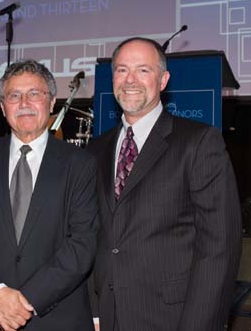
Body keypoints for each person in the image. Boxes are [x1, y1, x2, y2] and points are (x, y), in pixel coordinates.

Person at [87, 37, 242, 331]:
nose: (130, 80)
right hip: (106, 318)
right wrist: (94, 311)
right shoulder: (96, 150)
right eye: (121, 70)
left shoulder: (198, 142)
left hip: (171, 319)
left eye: (143, 70)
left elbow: (219, 248)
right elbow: (91, 236)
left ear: (163, 80)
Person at [0, 59, 99, 331]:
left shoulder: (81, 164)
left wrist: (25, 302)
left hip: (56, 318)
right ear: (2, 106)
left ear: (52, 102)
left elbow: (82, 244)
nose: (24, 103)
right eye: (14, 95)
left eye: (34, 94)